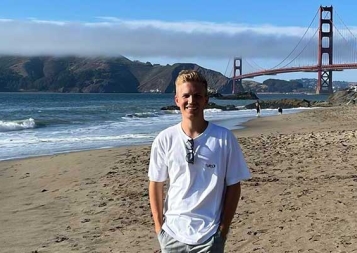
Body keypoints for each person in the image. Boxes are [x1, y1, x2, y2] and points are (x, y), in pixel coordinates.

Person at [148, 70, 251, 253]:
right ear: (177, 100)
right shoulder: (165, 139)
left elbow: (234, 186)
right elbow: (156, 184)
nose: (191, 101)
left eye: (197, 96)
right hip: (172, 235)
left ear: (206, 100)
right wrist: (159, 228)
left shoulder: (224, 138)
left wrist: (223, 230)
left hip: (209, 236)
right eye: (185, 95)